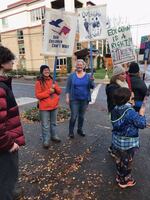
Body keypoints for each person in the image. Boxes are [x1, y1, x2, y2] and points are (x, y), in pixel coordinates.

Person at [0, 46, 25, 200]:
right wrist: (9, 144)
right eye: (10, 59)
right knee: (6, 179)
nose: (13, 62)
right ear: (2, 62)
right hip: (5, 144)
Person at [111, 87, 146, 188]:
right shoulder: (130, 112)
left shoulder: (115, 108)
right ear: (128, 99)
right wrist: (142, 114)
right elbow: (142, 124)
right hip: (128, 143)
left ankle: (119, 175)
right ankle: (125, 180)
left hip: (117, 140)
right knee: (127, 161)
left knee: (119, 160)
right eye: (132, 96)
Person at [66, 59, 95, 138]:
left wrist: (92, 81)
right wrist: (67, 97)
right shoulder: (72, 76)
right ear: (76, 66)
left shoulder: (88, 76)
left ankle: (80, 130)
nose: (79, 66)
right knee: (74, 116)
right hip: (74, 100)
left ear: (83, 66)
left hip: (84, 100)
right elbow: (68, 87)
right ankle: (71, 132)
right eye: (78, 64)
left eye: (81, 64)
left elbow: (92, 87)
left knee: (81, 116)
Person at [35, 65, 62, 148]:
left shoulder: (53, 80)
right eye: (45, 70)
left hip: (54, 106)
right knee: (45, 125)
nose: (47, 71)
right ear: (42, 72)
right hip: (44, 107)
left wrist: (55, 88)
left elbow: (59, 91)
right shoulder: (38, 82)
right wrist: (49, 92)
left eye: (48, 70)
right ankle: (46, 140)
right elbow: (38, 95)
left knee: (54, 123)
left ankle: (54, 136)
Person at [105, 65, 129, 157]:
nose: (125, 75)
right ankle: (113, 149)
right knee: (118, 131)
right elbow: (116, 101)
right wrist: (128, 100)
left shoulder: (124, 84)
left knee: (120, 131)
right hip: (115, 113)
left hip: (123, 111)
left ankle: (115, 148)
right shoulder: (112, 87)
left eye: (125, 73)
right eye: (122, 74)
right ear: (117, 75)